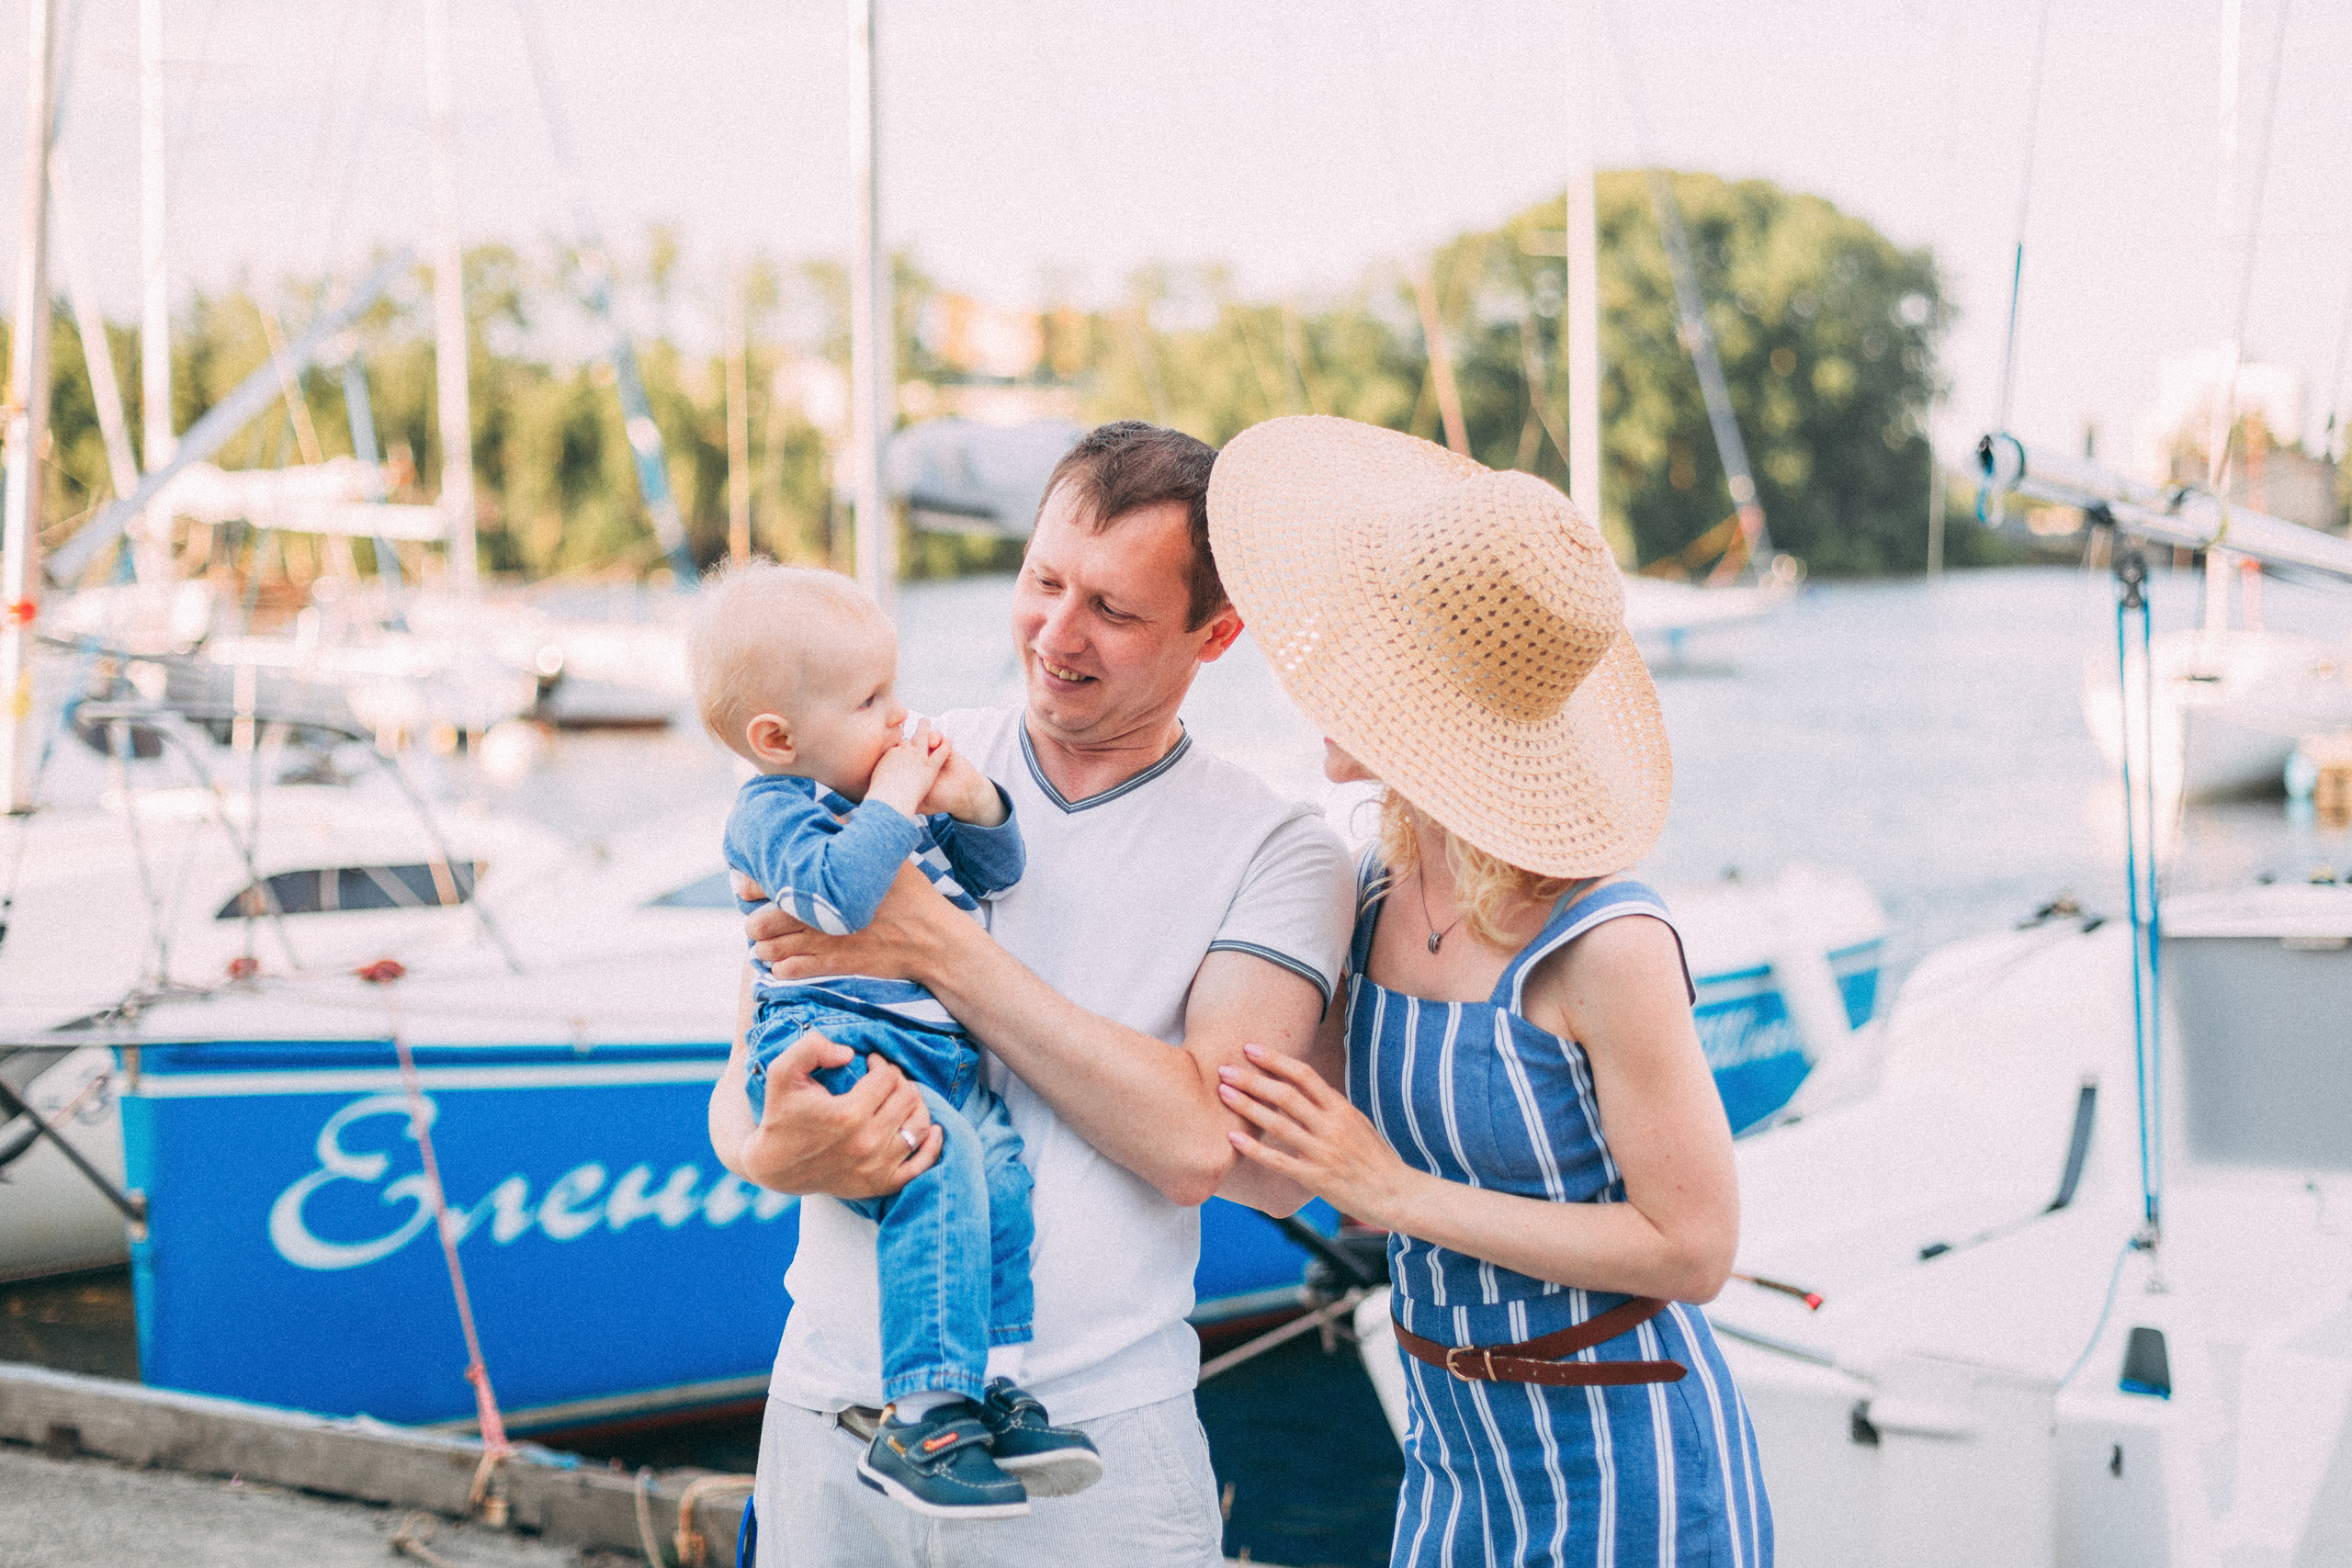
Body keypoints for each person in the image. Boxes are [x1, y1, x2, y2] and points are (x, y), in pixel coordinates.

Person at [708, 422, 1357, 1567]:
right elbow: (747, 1056)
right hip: (827, 1408)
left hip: (1090, 1440)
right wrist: (772, 1153)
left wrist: (936, 949)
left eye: (1112, 608)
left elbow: (1201, 1141)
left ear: (1215, 633)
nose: (1057, 635)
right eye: (1043, 581)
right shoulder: (895, 758)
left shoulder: (1277, 850)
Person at [1204, 416, 1772, 1567]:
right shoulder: (1365, 890)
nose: (1313, 664)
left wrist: (1392, 1192)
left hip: (1633, 1464)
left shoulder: (1601, 941)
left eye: (1358, 655)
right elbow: (1264, 1154)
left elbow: (1692, 1247)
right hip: (1452, 1462)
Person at [688, 563, 1100, 1520]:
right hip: (837, 1049)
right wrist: (899, 795)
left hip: (928, 1055)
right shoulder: (773, 812)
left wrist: (966, 799)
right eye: (870, 699)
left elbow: (997, 870)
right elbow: (839, 894)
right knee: (941, 1171)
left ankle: (992, 1385)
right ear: (776, 738)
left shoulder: (885, 800)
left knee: (998, 1178)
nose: (895, 716)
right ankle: (922, 1413)